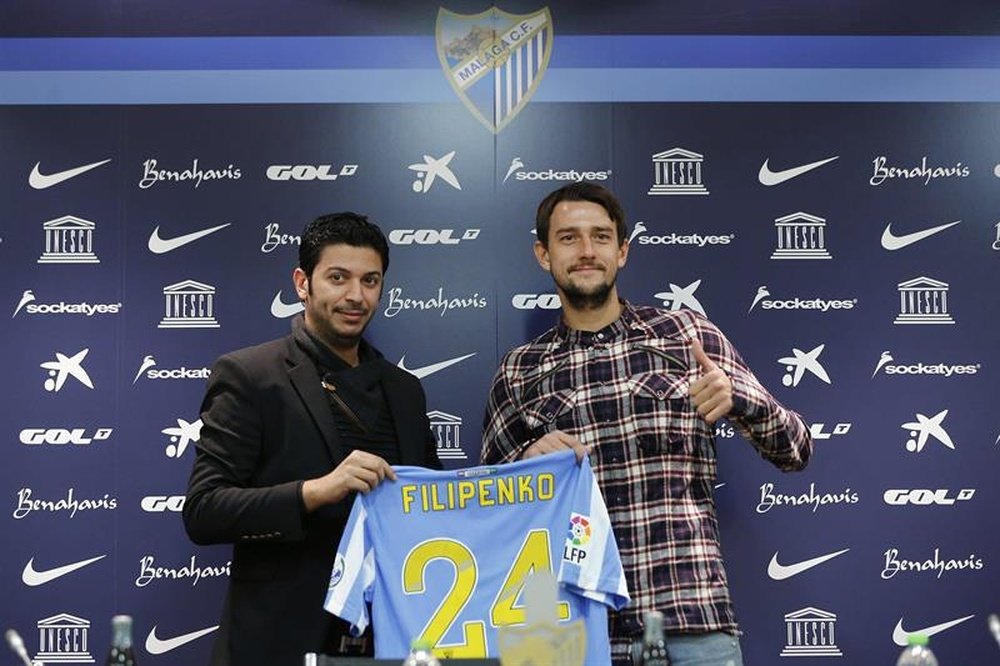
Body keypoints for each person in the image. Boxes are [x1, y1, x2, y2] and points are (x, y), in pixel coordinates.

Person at [480, 182, 813, 666]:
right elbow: (486, 510)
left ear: (623, 251)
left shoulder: (686, 334)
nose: (587, 251)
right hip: (571, 635)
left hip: (690, 624)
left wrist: (738, 398)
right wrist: (523, 464)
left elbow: (797, 449)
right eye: (568, 238)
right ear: (543, 253)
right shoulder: (519, 371)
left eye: (600, 236)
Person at [184, 212, 442, 666]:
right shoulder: (250, 376)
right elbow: (204, 512)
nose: (355, 296)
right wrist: (315, 492)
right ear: (302, 283)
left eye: (370, 280)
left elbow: (434, 507)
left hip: (389, 643)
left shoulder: (405, 390)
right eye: (337, 278)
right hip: (278, 646)